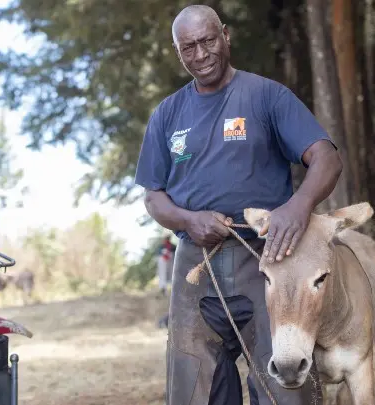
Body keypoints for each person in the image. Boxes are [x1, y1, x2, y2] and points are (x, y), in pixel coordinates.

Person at [134, 5, 343, 405]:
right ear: (178, 52)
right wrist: (187, 220)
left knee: (285, 385)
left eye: (208, 41)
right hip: (197, 267)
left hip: (270, 258)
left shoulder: (267, 96)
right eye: (188, 48)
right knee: (193, 385)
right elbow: (153, 197)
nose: (200, 55)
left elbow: (327, 158)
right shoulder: (166, 114)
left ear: (225, 35)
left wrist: (298, 207)